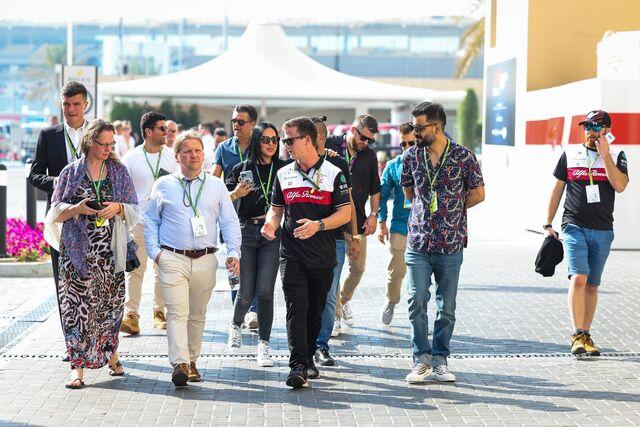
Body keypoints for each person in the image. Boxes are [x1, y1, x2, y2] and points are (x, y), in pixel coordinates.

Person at [44, 119, 139, 389]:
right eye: (103, 144)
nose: (108, 149)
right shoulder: (70, 172)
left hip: (110, 253)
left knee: (110, 308)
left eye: (111, 144)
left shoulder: (118, 171)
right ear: (89, 142)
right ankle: (77, 369)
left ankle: (112, 355)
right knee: (76, 310)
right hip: (76, 254)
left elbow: (134, 207)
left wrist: (117, 208)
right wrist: (77, 209)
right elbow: (55, 212)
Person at [145, 131, 241, 387]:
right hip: (172, 257)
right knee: (177, 312)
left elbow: (229, 222)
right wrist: (155, 253)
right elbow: (151, 220)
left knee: (197, 314)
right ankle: (180, 363)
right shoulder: (163, 184)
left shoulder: (216, 185)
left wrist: (234, 252)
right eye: (187, 151)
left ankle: (192, 360)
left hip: (206, 259)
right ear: (177, 156)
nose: (193, 155)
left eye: (197, 150)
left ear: (204, 154)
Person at [261, 117, 351, 388]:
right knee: (295, 306)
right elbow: (276, 209)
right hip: (291, 253)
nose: (284, 145)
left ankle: (309, 356)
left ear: (308, 140)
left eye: (289, 140)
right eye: (284, 140)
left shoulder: (334, 173)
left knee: (315, 310)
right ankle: (298, 365)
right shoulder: (283, 174)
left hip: (323, 255)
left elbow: (345, 213)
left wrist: (318, 225)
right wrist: (270, 223)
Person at [401, 102, 484, 384]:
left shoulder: (464, 156)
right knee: (416, 300)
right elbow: (409, 192)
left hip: (451, 243)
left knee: (446, 306)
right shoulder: (411, 156)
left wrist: (452, 211)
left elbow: (478, 193)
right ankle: (421, 359)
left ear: (436, 127)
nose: (414, 133)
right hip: (418, 242)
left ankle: (440, 359)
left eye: (419, 128)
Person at [545, 110, 628, 356]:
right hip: (574, 225)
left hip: (603, 229)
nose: (590, 132)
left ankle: (586, 335)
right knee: (579, 277)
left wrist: (605, 156)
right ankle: (577, 334)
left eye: (596, 127)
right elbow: (557, 190)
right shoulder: (570, 154)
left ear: (607, 130)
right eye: (587, 127)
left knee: (592, 284)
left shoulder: (617, 155)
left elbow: (620, 186)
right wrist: (548, 224)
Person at [29, 81, 89, 362]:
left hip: (92, 219)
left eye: (76, 104)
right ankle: (73, 344)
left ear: (85, 104)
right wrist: (58, 182)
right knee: (64, 283)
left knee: (91, 282)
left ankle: (93, 340)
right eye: (66, 104)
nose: (71, 109)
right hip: (61, 220)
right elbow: (34, 174)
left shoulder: (97, 131)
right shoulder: (48, 135)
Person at [225, 123, 287, 367]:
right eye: (265, 139)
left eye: (274, 140)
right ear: (257, 140)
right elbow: (222, 202)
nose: (271, 144)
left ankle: (264, 345)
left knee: (265, 291)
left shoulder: (284, 169)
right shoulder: (241, 168)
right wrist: (236, 194)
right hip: (246, 232)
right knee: (246, 293)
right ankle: (235, 324)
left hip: (272, 233)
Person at [120, 111, 175, 334]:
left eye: (167, 129)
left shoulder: (172, 156)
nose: (166, 132)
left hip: (166, 223)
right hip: (139, 222)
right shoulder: (131, 158)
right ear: (148, 131)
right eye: (162, 128)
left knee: (162, 269)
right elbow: (122, 190)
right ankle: (131, 315)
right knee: (135, 269)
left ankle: (159, 312)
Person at [312, 116, 359, 367]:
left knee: (330, 294)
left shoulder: (338, 163)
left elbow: (348, 202)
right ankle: (305, 345)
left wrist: (355, 236)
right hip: (303, 240)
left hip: (334, 239)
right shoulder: (295, 164)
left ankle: (321, 345)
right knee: (305, 294)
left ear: (318, 138)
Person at [326, 114, 381, 329]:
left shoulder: (370, 156)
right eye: (363, 138)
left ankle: (341, 300)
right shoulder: (330, 145)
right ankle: (335, 315)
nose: (366, 143)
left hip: (356, 221)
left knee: (357, 268)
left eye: (370, 140)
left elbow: (375, 190)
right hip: (331, 220)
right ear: (353, 130)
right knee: (333, 271)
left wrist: (373, 215)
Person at [213, 105, 259, 328]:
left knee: (255, 267)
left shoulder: (261, 144)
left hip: (257, 216)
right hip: (231, 217)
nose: (235, 125)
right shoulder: (224, 148)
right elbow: (214, 181)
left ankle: (253, 311)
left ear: (253, 124)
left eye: (241, 122)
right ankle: (238, 313)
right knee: (234, 265)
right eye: (233, 121)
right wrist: (232, 194)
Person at [377, 122, 414, 325]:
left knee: (421, 277)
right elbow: (382, 196)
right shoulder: (393, 166)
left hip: (425, 229)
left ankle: (418, 317)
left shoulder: (430, 164)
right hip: (400, 226)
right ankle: (391, 301)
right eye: (403, 144)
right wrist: (381, 221)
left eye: (411, 143)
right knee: (397, 270)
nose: (407, 148)